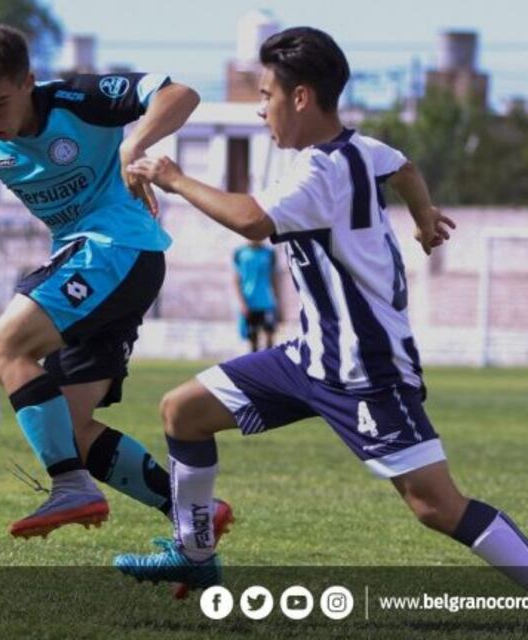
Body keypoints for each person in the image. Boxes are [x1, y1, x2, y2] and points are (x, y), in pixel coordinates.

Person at [114, 26, 528, 590]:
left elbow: (252, 221)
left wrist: (175, 177)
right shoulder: (359, 149)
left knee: (437, 507)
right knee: (182, 411)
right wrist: (424, 214)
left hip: (366, 369)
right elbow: (404, 168)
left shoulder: (321, 171)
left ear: (301, 97)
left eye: (266, 96)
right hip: (311, 358)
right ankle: (195, 553)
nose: (262, 111)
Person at [0, 24, 234, 540]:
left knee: (5, 348)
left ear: (28, 81)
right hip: (103, 264)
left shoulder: (80, 99)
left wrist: (133, 144)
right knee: (70, 428)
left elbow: (182, 95)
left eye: (0, 104)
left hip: (117, 247)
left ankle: (71, 488)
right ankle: (191, 511)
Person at [233, 239, 281, 352]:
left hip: (267, 302)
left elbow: (274, 278)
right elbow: (236, 280)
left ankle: (269, 365)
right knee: (253, 339)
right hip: (249, 302)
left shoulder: (270, 253)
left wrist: (278, 301)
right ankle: (254, 366)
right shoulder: (240, 253)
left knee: (269, 337)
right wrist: (241, 302)